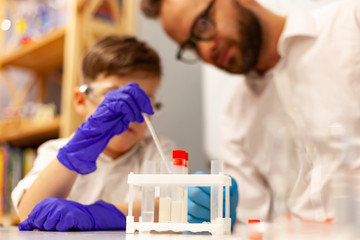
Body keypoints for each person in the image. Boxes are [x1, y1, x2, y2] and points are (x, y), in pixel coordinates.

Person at [140, 0, 360, 227]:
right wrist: (225, 220)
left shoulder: (351, 25)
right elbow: (253, 223)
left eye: (203, 25)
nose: (206, 50)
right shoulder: (234, 116)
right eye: (191, 47)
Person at [11, 35, 175, 231]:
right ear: (81, 100)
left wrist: (98, 216)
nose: (129, 114)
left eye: (142, 102)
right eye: (115, 98)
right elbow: (30, 214)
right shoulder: (55, 150)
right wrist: (73, 157)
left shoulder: (157, 151)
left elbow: (174, 206)